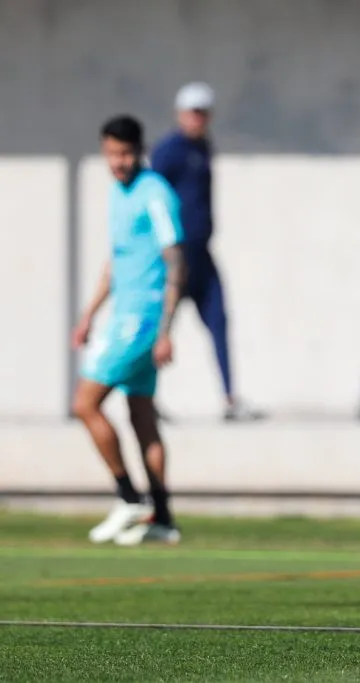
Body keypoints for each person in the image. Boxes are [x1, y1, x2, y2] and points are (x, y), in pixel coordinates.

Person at [72, 115, 185, 546]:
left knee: (84, 403)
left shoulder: (155, 193)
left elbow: (176, 258)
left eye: (125, 154)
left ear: (140, 150)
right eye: (111, 154)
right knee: (141, 416)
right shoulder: (118, 194)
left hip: (142, 320)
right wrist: (89, 314)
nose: (118, 162)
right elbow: (116, 262)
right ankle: (163, 517)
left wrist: (166, 330)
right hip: (122, 315)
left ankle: (128, 496)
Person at [150, 82, 263, 422]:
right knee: (162, 327)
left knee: (219, 321)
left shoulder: (204, 148)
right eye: (191, 112)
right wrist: (166, 250)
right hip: (176, 256)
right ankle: (146, 400)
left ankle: (230, 400)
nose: (197, 119)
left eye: (202, 113)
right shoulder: (168, 150)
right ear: (180, 113)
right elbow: (153, 198)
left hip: (202, 254)